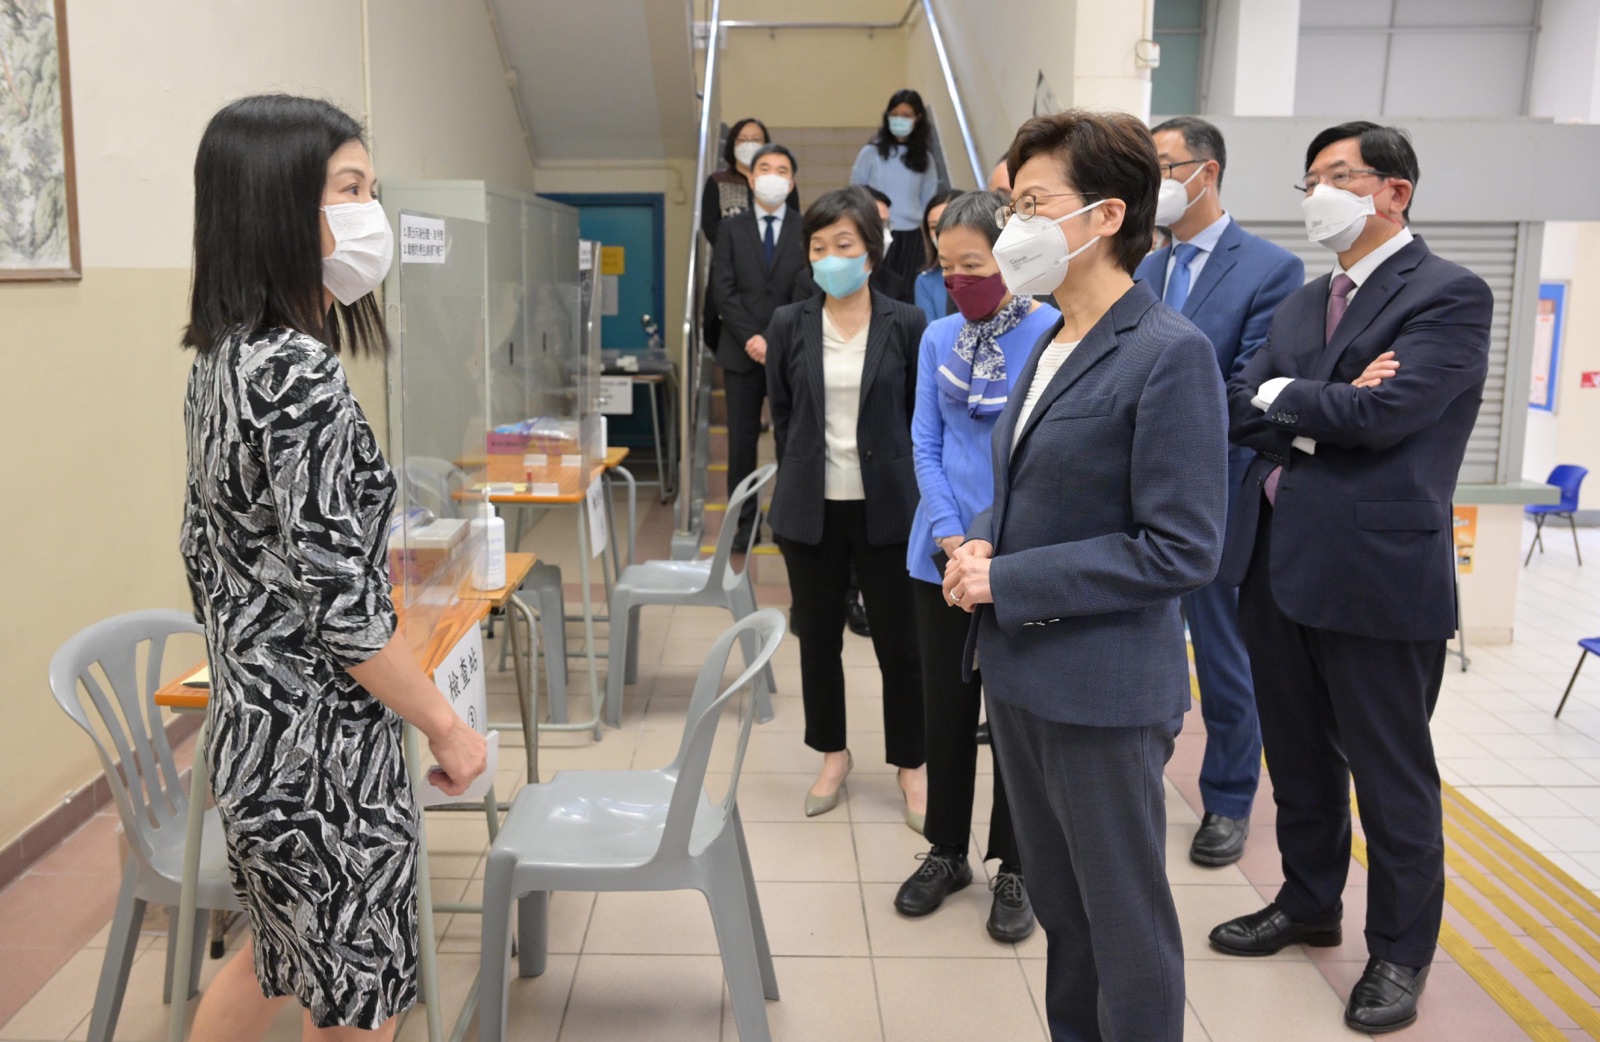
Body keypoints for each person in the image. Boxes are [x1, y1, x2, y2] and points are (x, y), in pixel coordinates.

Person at [178, 94, 488, 1042]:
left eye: (371, 190)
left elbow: (215, 555)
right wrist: (446, 726)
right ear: (277, 206)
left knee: (274, 963)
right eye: (350, 190)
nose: (370, 214)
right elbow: (345, 614)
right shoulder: (298, 375)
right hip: (323, 756)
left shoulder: (224, 361)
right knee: (358, 1002)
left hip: (254, 733)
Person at [942, 110, 1227, 1041]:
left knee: (1124, 924)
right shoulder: (1051, 337)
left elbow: (1181, 548)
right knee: (1066, 914)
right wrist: (981, 543)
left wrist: (1011, 582)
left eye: (1032, 204)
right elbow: (1029, 484)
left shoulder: (1168, 351)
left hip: (1102, 692)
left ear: (1106, 216)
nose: (1012, 226)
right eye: (1012, 205)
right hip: (1023, 674)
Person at [1208, 122, 1492, 1035]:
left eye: (1338, 175)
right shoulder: (1306, 300)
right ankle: (1308, 902)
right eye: (1311, 180)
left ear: (1393, 192)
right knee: (1297, 758)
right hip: (1277, 562)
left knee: (1390, 775)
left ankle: (1400, 954)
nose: (1318, 195)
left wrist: (1293, 401)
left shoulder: (1449, 294)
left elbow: (1388, 415)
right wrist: (1320, 402)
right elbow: (1234, 404)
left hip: (1377, 573)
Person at [1135, 117, 1305, 867]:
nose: (1156, 182)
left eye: (1164, 166)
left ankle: (1229, 800)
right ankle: (1137, 783)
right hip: (1138, 494)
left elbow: (1251, 388)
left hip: (1219, 494)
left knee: (1225, 659)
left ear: (1206, 172)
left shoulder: (1269, 268)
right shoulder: (1145, 266)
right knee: (1144, 652)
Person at [895, 190, 1057, 944]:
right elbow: (925, 444)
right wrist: (951, 537)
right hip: (941, 555)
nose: (957, 280)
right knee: (947, 710)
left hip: (1019, 556)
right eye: (946, 266)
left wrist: (989, 544)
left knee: (1017, 717)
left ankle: (1015, 863)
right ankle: (946, 850)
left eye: (974, 263)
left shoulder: (1053, 331)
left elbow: (1041, 455)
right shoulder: (937, 337)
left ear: (1012, 257)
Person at [766, 186, 929, 829]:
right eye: (818, 247)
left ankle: (911, 763)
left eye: (843, 244)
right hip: (811, 509)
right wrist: (805, 468)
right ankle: (833, 754)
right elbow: (783, 414)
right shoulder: (789, 322)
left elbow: (918, 418)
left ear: (871, 251)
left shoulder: (907, 321)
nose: (830, 258)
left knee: (900, 643)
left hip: (888, 507)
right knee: (818, 641)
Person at [710, 143, 810, 548]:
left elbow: (806, 288)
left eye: (781, 170)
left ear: (792, 182)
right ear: (750, 179)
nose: (772, 176)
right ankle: (744, 525)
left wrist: (773, 338)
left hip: (789, 352)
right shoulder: (730, 229)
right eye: (764, 168)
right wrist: (752, 337)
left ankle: (786, 523)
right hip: (740, 352)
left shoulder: (805, 228)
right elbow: (722, 290)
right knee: (741, 445)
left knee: (791, 441)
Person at [701, 117, 800, 352]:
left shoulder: (797, 220)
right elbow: (710, 225)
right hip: (736, 275)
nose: (749, 144)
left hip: (783, 322)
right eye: (743, 139)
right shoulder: (718, 182)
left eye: (756, 139)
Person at [851, 89, 944, 291]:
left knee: (908, 291)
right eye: (895, 114)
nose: (899, 119)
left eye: (906, 115)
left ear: (918, 118)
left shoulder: (925, 159)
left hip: (911, 238)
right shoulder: (870, 153)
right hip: (877, 232)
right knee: (874, 289)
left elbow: (928, 200)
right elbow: (856, 193)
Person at [912, 188, 963, 325]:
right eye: (934, 227)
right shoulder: (926, 282)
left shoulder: (992, 267)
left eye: (946, 223)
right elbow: (932, 333)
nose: (940, 232)